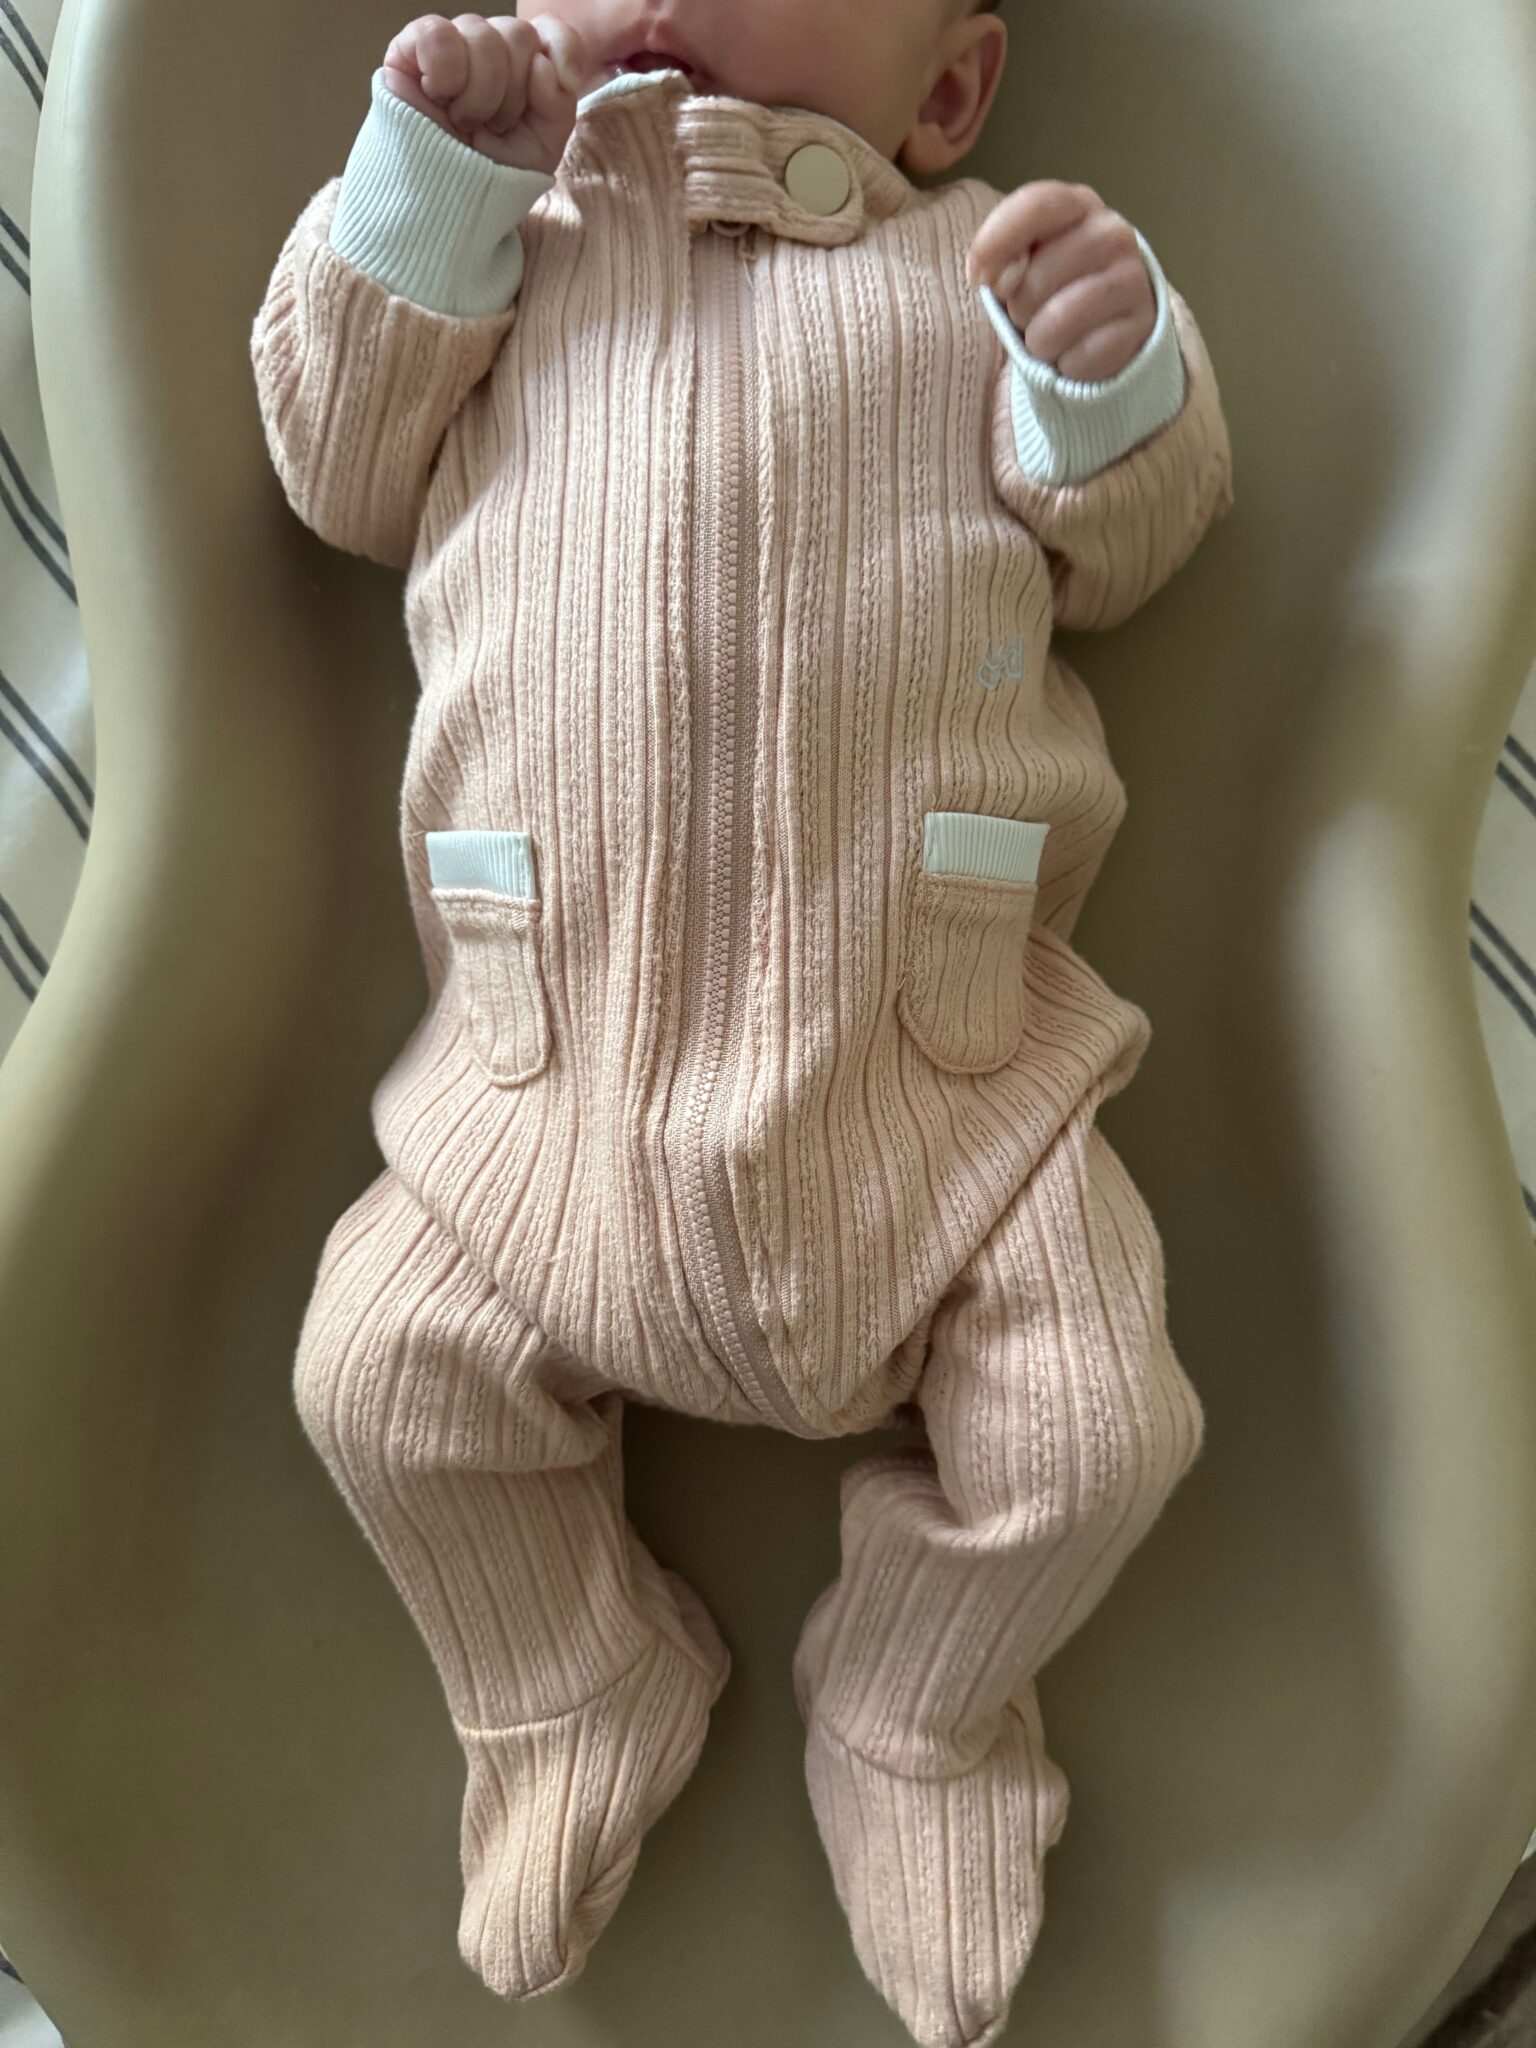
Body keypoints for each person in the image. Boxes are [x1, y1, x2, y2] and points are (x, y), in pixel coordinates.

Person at [250, 7, 1233, 2043]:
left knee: (1096, 1427)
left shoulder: (965, 276)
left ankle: (917, 1706)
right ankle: (569, 1673)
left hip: (948, 1096)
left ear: (943, 93)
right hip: (537, 1108)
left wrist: (1107, 368)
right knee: (374, 1375)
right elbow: (331, 461)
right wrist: (435, 181)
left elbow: (1139, 539)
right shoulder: (489, 261)